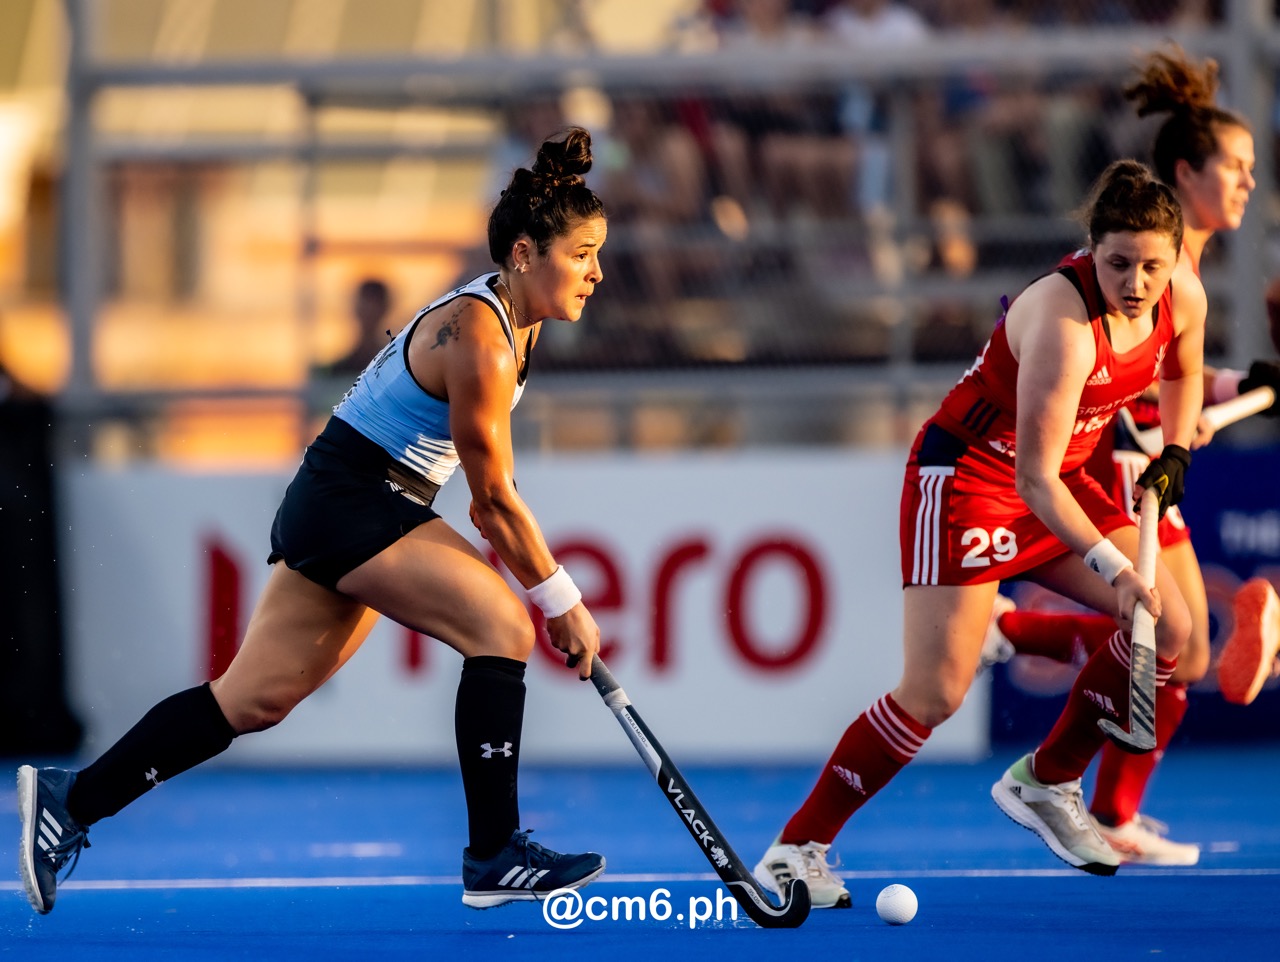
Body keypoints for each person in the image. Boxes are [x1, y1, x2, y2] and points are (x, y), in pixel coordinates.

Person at [16, 127, 609, 915]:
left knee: (251, 699)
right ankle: (494, 852)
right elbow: (492, 499)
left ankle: (72, 801)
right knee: (502, 625)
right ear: (528, 254)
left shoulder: (512, 323)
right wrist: (560, 599)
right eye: (582, 255)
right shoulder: (480, 336)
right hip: (355, 499)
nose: (597, 273)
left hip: (348, 496)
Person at [753, 158, 1204, 907]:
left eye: (1152, 266)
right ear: (1091, 251)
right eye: (1118, 262)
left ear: (1174, 261)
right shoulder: (1065, 326)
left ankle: (1048, 779)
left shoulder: (1180, 294)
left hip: (1061, 478)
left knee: (1172, 628)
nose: (1135, 283)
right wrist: (1111, 567)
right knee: (933, 694)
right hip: (969, 480)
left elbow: (1184, 370)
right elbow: (1031, 480)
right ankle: (795, 849)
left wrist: (1178, 449)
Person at [980, 46, 1280, 866]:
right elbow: (1118, 379)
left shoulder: (1183, 267)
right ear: (1187, 175)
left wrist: (1222, 389)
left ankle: (1099, 787)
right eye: (1237, 168)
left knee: (1177, 646)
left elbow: (1168, 371)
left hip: (1147, 453)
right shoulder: (1155, 263)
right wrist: (1186, 418)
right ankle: (1030, 668)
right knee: (1169, 640)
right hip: (1118, 460)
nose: (1250, 183)